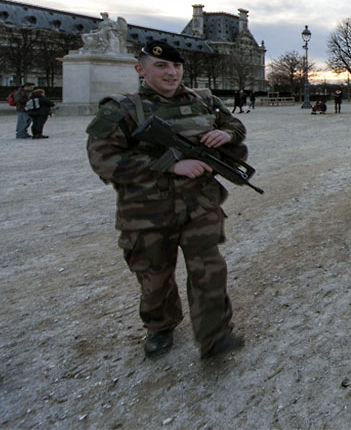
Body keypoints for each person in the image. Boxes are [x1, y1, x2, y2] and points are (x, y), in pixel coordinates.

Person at [85, 40, 246, 360]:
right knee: (154, 276)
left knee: (209, 270)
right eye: (161, 66)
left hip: (199, 204)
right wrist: (170, 165)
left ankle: (214, 336)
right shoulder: (119, 109)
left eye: (176, 66)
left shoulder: (205, 100)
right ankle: (161, 325)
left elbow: (235, 126)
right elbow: (102, 160)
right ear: (140, 69)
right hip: (145, 211)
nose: (171, 73)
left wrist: (227, 135)